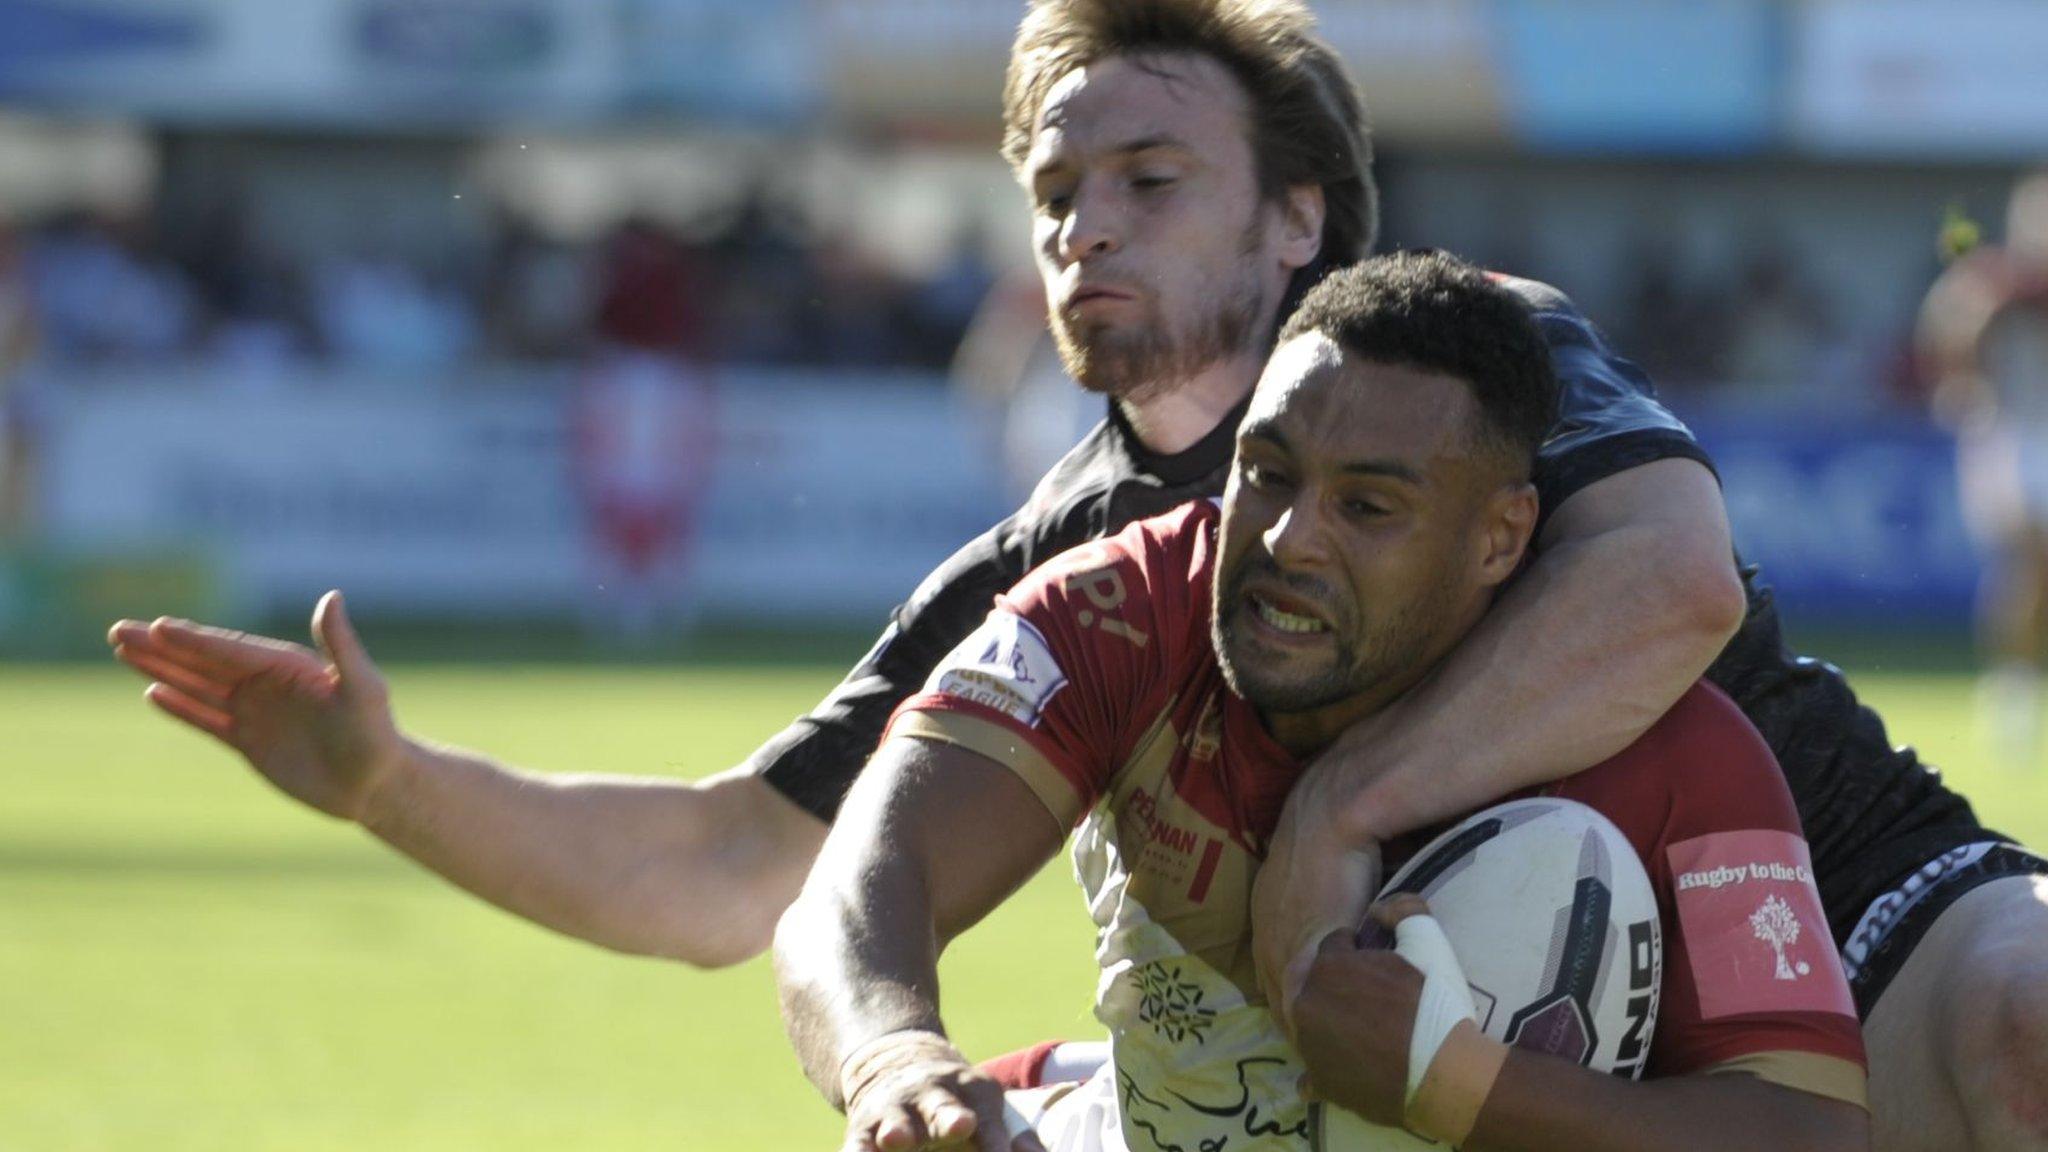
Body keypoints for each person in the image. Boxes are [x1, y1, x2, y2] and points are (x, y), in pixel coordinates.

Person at [107, 1, 2048, 1146]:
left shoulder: (1472, 359)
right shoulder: (1071, 565)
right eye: (1048, 192)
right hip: (1422, 1037)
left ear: (1297, 213)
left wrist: (1343, 817)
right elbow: (735, 871)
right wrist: (388, 781)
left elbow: (1671, 578)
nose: (1080, 231)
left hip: (1842, 910)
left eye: (1146, 181)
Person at [776, 251, 1868, 1152]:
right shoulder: (1124, 610)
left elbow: (1807, 1131)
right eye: (1268, 472)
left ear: (1498, 538)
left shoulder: (1671, 743)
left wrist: (1451, 1082)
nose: (1290, 540)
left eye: (1367, 504)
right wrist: (891, 1058)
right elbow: (863, 884)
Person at [1920, 172, 2048, 765]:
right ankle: (2013, 684)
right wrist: (1960, 384)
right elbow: (1950, 321)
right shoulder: (1997, 285)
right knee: (2026, 559)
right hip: (2017, 430)